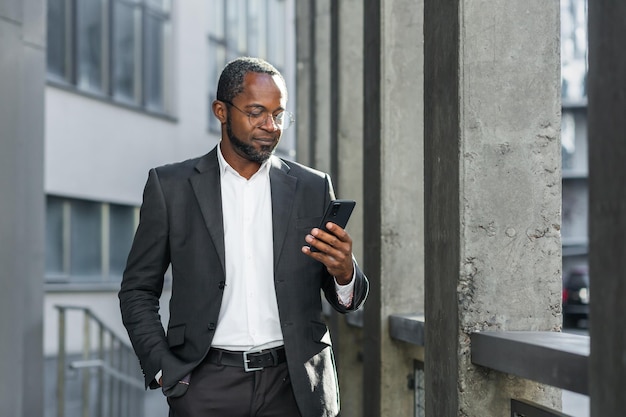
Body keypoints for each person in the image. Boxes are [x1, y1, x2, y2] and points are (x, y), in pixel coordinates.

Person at [118, 57, 369, 417]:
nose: (271, 126)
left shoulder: (313, 187)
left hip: (295, 387)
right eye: (256, 113)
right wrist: (163, 368)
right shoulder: (170, 187)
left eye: (279, 114)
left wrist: (345, 272)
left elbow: (347, 301)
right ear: (221, 111)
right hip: (205, 385)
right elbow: (137, 290)